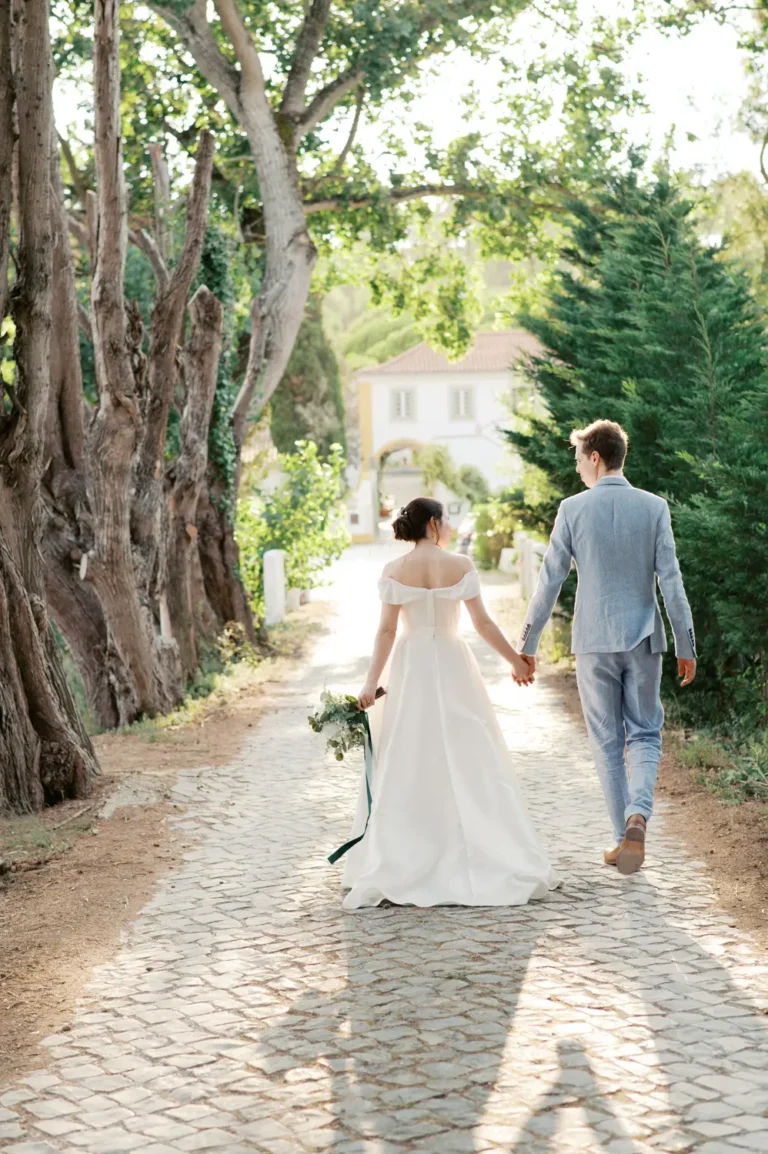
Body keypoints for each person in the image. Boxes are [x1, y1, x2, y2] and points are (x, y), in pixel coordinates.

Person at [339, 496, 560, 910]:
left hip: (410, 665)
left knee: (409, 754)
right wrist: (517, 661)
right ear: (435, 524)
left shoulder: (394, 570)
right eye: (446, 520)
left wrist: (371, 683)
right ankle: (476, 848)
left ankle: (404, 854)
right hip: (453, 662)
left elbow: (386, 631)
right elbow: (482, 622)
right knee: (470, 751)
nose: (450, 527)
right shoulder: (460, 565)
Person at [518, 419, 697, 875]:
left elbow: (549, 581)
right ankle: (638, 817)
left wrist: (528, 643)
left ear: (595, 456)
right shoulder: (654, 507)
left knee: (606, 739)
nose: (577, 467)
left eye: (579, 458)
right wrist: (686, 643)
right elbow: (671, 582)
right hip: (644, 638)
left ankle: (623, 836)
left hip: (594, 642)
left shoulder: (572, 510)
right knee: (644, 733)